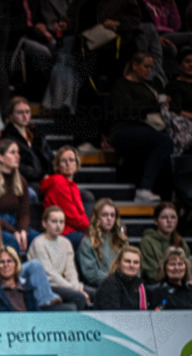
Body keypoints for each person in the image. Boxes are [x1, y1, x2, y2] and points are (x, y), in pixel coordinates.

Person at [0, 207, 63, 309]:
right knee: (34, 266)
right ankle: (45, 299)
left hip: (5, 276)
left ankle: (45, 297)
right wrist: (19, 278)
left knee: (35, 267)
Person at [109, 52, 173, 203]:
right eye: (146, 66)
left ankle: (166, 198)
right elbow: (126, 110)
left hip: (149, 127)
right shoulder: (121, 85)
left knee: (167, 145)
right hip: (125, 128)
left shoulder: (151, 85)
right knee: (164, 141)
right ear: (135, 66)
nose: (149, 70)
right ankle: (144, 188)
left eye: (151, 67)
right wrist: (154, 104)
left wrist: (164, 103)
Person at [28, 206, 91, 308]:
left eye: (61, 222)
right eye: (54, 221)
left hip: (66, 285)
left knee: (98, 294)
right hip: (48, 286)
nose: (58, 225)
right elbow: (49, 275)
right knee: (80, 297)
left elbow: (71, 271)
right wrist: (75, 289)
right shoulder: (38, 243)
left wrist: (76, 287)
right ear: (44, 223)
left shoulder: (66, 243)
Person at [0, 246, 78, 312]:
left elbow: (36, 315)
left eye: (9, 261)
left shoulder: (27, 288)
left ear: (16, 264)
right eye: (2, 262)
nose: (6, 265)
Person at [40, 146, 91, 251]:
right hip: (63, 232)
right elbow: (72, 216)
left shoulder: (73, 185)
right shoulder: (59, 183)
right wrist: (92, 229)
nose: (68, 164)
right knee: (92, 241)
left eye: (71, 160)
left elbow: (81, 213)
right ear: (58, 166)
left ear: (76, 163)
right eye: (64, 161)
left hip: (74, 231)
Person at [0, 97, 53, 188]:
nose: (25, 116)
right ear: (11, 115)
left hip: (45, 177)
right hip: (25, 181)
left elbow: (50, 156)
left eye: (27, 112)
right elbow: (18, 166)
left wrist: (50, 175)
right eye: (20, 112)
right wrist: (41, 175)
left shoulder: (36, 134)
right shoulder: (8, 137)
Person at [78, 198, 129, 287]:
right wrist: (116, 280)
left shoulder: (122, 240)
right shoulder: (87, 242)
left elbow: (132, 263)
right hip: (102, 287)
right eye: (105, 215)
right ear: (97, 217)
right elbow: (91, 274)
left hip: (124, 284)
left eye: (112, 215)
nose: (109, 218)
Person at [140, 201, 190, 280]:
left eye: (173, 217)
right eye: (164, 217)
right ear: (156, 221)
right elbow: (151, 273)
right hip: (156, 285)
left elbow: (187, 270)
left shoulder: (180, 241)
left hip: (179, 284)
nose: (169, 221)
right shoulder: (147, 242)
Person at [94, 245, 148, 310]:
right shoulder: (109, 284)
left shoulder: (139, 284)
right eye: (127, 261)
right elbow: (112, 314)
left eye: (136, 262)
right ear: (118, 264)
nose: (132, 265)